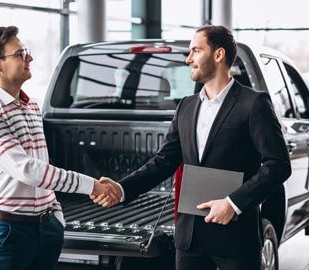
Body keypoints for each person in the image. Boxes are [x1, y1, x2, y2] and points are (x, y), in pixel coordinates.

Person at [92, 25, 291, 270]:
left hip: (235, 238)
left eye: (196, 51)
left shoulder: (254, 104)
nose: (188, 59)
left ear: (219, 55)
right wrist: (122, 188)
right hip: (190, 239)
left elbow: (278, 165)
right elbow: (164, 161)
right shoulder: (186, 106)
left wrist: (232, 203)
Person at [0, 26, 121, 270]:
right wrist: (92, 185)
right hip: (8, 231)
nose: (29, 58)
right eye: (20, 54)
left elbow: (42, 166)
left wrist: (55, 217)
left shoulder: (31, 107)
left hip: (47, 226)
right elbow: (27, 169)